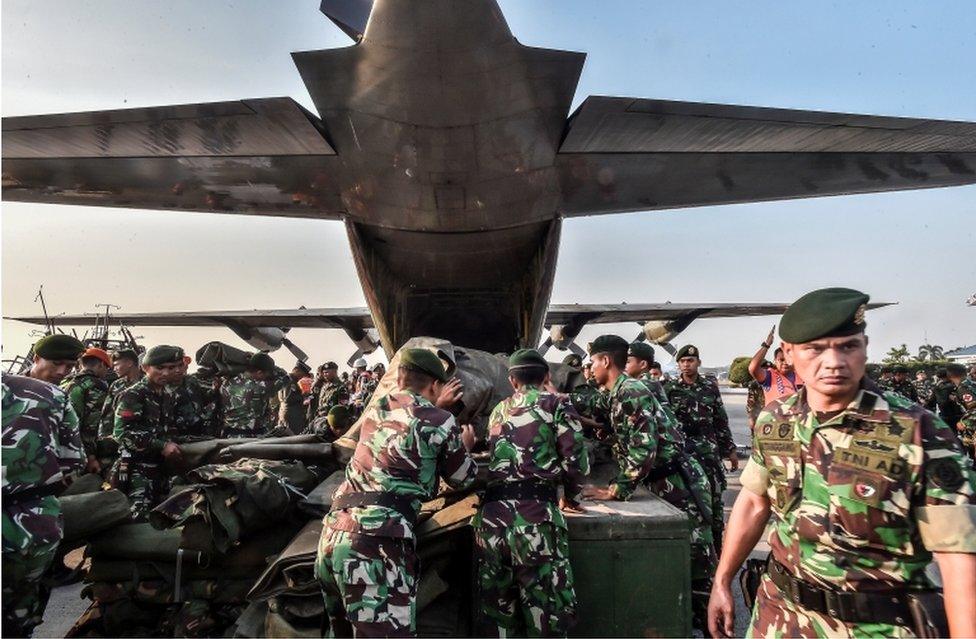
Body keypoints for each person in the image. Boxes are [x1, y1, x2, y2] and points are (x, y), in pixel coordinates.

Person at [708, 288, 976, 639]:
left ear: (865, 346)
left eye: (848, 346)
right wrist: (722, 580)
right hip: (778, 617)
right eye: (815, 349)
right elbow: (754, 502)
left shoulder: (920, 432)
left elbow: (958, 560)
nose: (834, 362)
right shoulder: (776, 420)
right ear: (788, 353)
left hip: (875, 625)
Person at [315, 348, 478, 637]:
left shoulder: (375, 410)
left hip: (333, 535)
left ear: (399, 378)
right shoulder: (440, 421)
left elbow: (405, 427)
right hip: (375, 544)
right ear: (434, 385)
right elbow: (462, 478)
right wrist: (462, 445)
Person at [474, 349, 589, 637]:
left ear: (512, 380)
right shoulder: (556, 404)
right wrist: (571, 497)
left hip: (491, 524)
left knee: (500, 614)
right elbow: (575, 462)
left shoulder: (499, 410)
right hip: (535, 522)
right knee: (545, 613)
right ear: (547, 376)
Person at [624, 340, 717, 630]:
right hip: (671, 474)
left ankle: (712, 623)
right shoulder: (649, 387)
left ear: (642, 364)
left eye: (628, 361)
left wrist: (619, 487)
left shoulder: (644, 388)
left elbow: (645, 447)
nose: (624, 366)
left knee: (697, 556)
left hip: (680, 477)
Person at [2, 374, 85, 637]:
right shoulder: (51, 394)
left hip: (28, 524)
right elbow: (73, 462)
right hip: (30, 525)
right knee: (17, 618)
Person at [666, 344, 737, 553]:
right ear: (678, 364)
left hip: (708, 454)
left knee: (714, 505)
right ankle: (692, 551)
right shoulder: (670, 389)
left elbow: (720, 420)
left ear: (699, 362)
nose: (686, 365)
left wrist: (730, 450)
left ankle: (717, 552)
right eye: (683, 361)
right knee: (688, 503)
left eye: (691, 361)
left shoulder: (709, 386)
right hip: (684, 456)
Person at [581, 335, 662, 502]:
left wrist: (617, 490)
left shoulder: (631, 391)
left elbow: (644, 447)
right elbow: (594, 403)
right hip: (652, 478)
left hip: (671, 483)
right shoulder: (618, 391)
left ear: (605, 361)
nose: (591, 368)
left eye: (593, 362)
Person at [113, 346, 187, 520]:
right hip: (138, 469)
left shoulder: (167, 394)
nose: (166, 373)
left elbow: (168, 429)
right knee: (137, 518)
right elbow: (122, 433)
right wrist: (161, 445)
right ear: (145, 368)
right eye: (160, 368)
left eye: (170, 368)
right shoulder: (133, 395)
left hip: (161, 469)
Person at [60, 347, 111, 474]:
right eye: (107, 368)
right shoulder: (96, 386)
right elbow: (90, 425)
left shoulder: (65, 381)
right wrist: (91, 457)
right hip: (78, 449)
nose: (107, 372)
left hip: (59, 445)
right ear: (100, 365)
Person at [219, 353, 289, 438]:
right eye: (266, 375)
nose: (266, 377)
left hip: (231, 437)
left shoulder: (226, 384)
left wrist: (251, 361)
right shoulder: (261, 388)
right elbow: (286, 377)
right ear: (259, 373)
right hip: (254, 439)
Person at [748, 327, 803, 406]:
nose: (785, 363)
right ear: (775, 361)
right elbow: (752, 368)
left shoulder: (802, 375)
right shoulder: (770, 376)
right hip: (775, 418)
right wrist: (766, 345)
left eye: (788, 359)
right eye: (781, 360)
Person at [306, 362, 350, 435]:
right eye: (323, 373)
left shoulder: (341, 388)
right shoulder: (324, 386)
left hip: (331, 425)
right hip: (319, 421)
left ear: (335, 372)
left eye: (327, 372)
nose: (324, 375)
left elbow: (342, 409)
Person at [947, 363, 976, 461]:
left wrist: (963, 422)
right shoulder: (969, 384)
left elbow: (974, 409)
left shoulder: (963, 388)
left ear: (949, 376)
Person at [279, 360, 312, 434]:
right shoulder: (290, 381)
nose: (302, 377)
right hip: (291, 416)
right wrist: (303, 396)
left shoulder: (291, 380)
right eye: (303, 375)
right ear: (297, 370)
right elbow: (287, 398)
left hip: (290, 414)